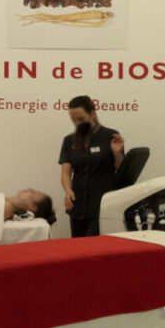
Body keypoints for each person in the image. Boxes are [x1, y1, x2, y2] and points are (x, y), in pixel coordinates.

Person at [60, 95, 124, 237]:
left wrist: (117, 153)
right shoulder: (69, 140)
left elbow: (120, 170)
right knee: (77, 248)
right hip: (78, 204)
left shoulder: (110, 137)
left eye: (81, 119)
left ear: (92, 113)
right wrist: (67, 190)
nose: (77, 123)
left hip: (102, 205)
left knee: (92, 247)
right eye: (74, 120)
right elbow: (65, 171)